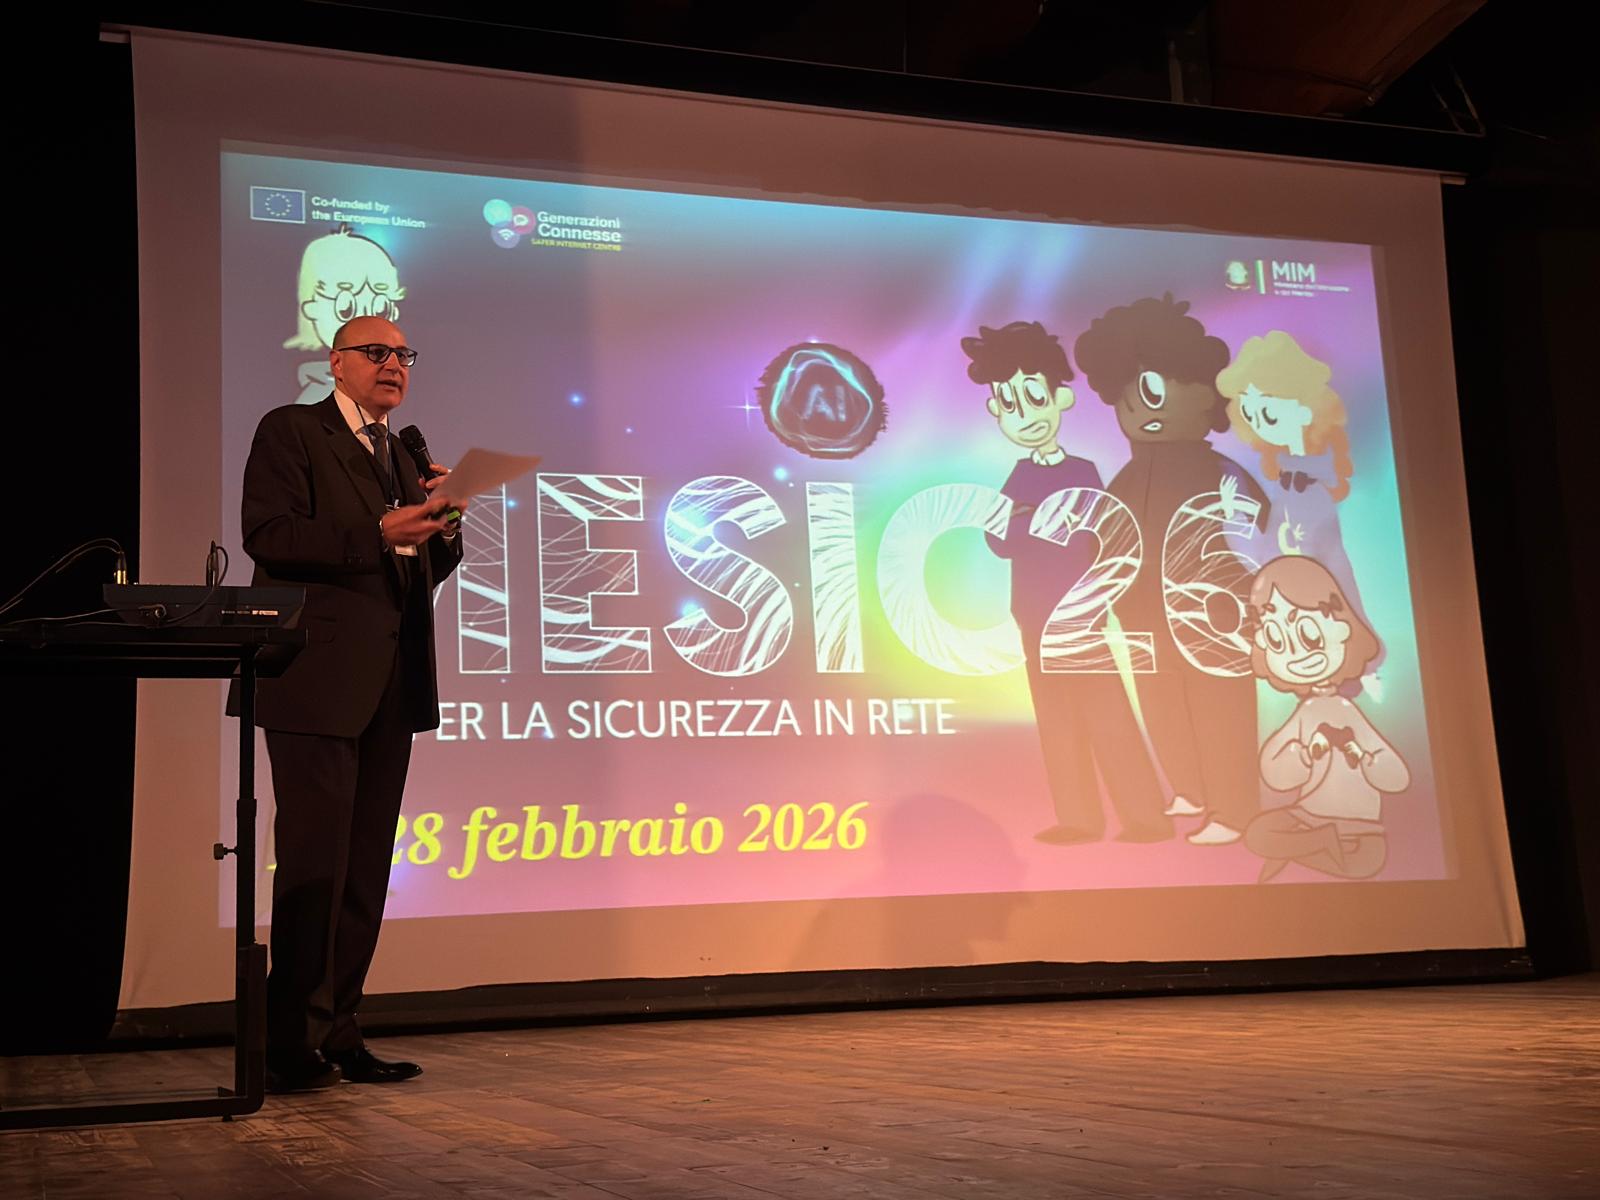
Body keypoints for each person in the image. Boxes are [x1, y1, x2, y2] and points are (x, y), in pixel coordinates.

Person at [229, 315, 468, 1092]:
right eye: (376, 352)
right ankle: (288, 1041)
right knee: (315, 865)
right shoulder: (294, 431)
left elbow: (417, 570)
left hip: (392, 682)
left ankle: (340, 1032)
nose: (393, 364)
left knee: (365, 870)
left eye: (403, 354)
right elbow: (270, 535)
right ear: (336, 363)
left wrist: (443, 525)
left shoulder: (401, 454)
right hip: (315, 680)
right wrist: (378, 530)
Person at [961, 320, 1171, 843]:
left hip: (1081, 614)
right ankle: (1078, 818)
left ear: (1061, 398)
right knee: (1057, 718)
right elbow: (998, 539)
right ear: (995, 409)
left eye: (1035, 398)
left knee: (1106, 710)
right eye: (1010, 403)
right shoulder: (1019, 476)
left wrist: (1035, 524)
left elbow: (1097, 533)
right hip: (1034, 618)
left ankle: (1145, 816)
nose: (1025, 416)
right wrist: (1030, 522)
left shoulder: (1082, 471)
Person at [1073, 294, 1271, 847]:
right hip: (1142, 617)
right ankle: (1189, 787)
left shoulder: (1220, 471)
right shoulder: (1128, 477)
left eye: (1153, 389)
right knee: (1160, 702)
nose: (1138, 409)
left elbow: (1255, 533)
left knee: (1219, 708)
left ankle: (1234, 808)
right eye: (1125, 397)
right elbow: (1108, 532)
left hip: (1214, 620)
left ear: (1203, 392)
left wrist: (1248, 598)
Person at [1241, 555, 1410, 882]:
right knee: (1258, 834)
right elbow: (1275, 774)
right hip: (1307, 817)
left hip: (1361, 829)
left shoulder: (1349, 712)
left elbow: (1397, 778)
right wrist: (1305, 754)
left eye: (1309, 634)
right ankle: (1322, 842)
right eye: (1276, 638)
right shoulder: (1305, 713)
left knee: (1365, 863)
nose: (1298, 654)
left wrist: (1361, 756)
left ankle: (1308, 847)